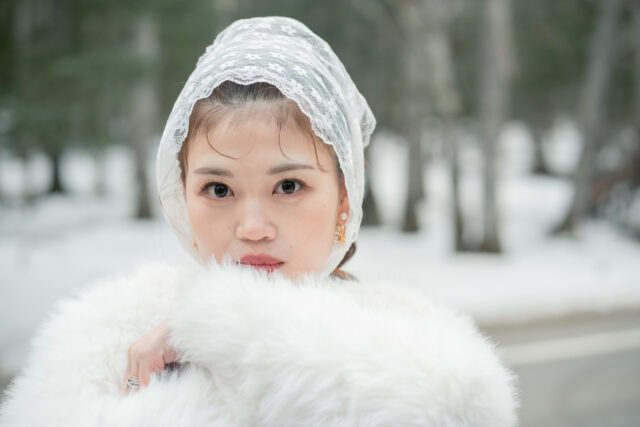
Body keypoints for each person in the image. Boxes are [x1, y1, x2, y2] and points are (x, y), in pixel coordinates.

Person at [0, 16, 518, 426]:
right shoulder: (109, 338)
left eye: (288, 186)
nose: (252, 227)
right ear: (182, 197)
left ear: (345, 198)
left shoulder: (418, 345)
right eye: (218, 190)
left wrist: (225, 333)